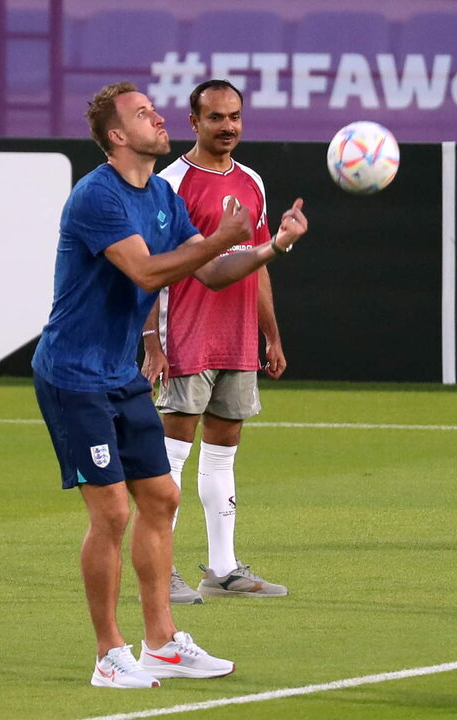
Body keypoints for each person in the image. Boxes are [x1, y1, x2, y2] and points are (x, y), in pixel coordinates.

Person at [31, 81, 308, 689]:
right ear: (116, 136)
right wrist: (218, 238)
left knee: (161, 498)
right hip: (73, 374)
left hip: (118, 373)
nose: (157, 119)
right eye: (143, 114)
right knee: (111, 512)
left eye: (155, 111)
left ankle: (160, 643)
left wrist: (271, 246)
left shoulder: (160, 195)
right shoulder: (96, 196)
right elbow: (149, 271)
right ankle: (109, 654)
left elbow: (210, 273)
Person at [141, 79, 302, 603]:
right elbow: (150, 267)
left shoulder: (251, 181)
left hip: (235, 339)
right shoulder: (170, 184)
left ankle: (223, 568)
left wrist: (270, 334)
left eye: (234, 116)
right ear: (194, 123)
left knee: (223, 454)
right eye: (215, 117)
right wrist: (151, 341)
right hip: (186, 334)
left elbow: (256, 265)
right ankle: (160, 571)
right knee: (170, 458)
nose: (227, 126)